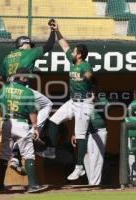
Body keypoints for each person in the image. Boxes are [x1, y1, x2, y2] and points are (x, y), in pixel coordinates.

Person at [45, 20, 94, 181]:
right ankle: (51, 150)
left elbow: (89, 75)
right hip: (73, 102)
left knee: (80, 136)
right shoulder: (73, 61)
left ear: (79, 54)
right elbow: (64, 45)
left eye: (74, 51)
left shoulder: (85, 65)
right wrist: (57, 31)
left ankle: (79, 167)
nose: (71, 52)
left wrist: (87, 78)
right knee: (52, 121)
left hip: (84, 104)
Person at [0, 68, 48, 193]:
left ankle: (0, 185)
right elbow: (32, 112)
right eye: (26, 77)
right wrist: (35, 127)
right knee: (28, 154)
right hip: (21, 123)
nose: (27, 79)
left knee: (4, 155)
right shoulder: (27, 92)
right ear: (21, 77)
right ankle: (32, 185)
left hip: (7, 122)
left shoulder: (4, 88)